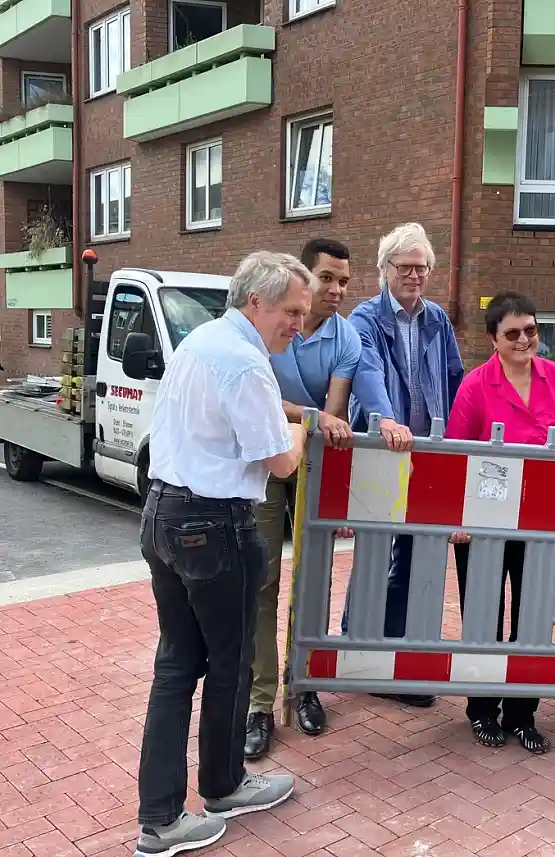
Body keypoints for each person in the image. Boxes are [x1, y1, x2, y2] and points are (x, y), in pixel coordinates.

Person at [134, 252, 314, 857]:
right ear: (256, 303)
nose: (297, 323)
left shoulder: (201, 340)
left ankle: (161, 817)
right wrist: (304, 426)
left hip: (163, 514)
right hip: (215, 525)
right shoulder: (245, 361)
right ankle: (224, 785)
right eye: (291, 311)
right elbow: (280, 459)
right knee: (231, 661)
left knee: (177, 665)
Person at [446, 292, 555, 754]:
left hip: (539, 521)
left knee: (532, 620)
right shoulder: (475, 385)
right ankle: (481, 710)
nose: (524, 339)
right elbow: (455, 454)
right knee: (484, 619)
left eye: (531, 330)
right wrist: (458, 518)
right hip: (483, 523)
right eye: (512, 333)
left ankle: (522, 713)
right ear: (493, 340)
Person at [244, 239, 359, 761]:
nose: (335, 290)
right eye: (327, 278)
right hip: (266, 461)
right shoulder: (271, 329)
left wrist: (311, 418)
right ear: (302, 279)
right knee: (262, 578)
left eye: (343, 281)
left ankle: (304, 684)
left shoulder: (347, 337)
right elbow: (275, 406)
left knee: (313, 578)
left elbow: (330, 416)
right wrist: (309, 416)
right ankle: (260, 704)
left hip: (313, 464)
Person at [341, 222, 464, 709]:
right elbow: (366, 371)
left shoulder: (437, 319)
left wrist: (456, 438)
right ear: (384, 269)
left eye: (422, 268)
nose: (415, 276)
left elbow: (454, 380)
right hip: (382, 448)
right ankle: (358, 646)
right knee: (375, 548)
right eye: (405, 267)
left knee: (417, 554)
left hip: (428, 452)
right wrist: (385, 418)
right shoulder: (365, 318)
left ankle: (396, 655)